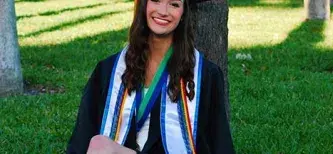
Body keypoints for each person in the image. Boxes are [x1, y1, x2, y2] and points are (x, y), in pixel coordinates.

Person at [66, 0, 234, 153]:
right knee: (99, 144)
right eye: (156, 0)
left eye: (174, 4)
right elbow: (82, 136)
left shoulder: (205, 75)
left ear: (183, 13)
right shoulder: (108, 70)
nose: (163, 11)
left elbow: (220, 141)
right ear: (144, 5)